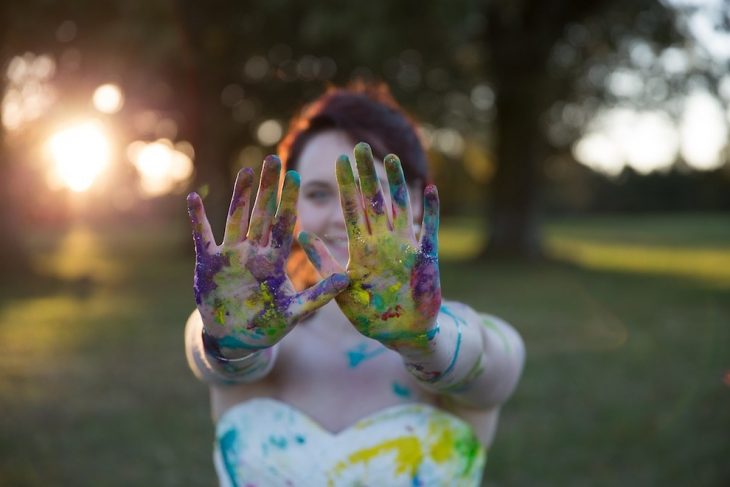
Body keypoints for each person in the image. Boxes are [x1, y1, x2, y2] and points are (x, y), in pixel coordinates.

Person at [184, 83, 525, 486]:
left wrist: (425, 342)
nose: (340, 215)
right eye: (316, 193)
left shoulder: (461, 338)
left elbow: (488, 362)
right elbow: (214, 354)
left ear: (415, 201)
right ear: (291, 210)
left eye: (367, 189)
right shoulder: (251, 335)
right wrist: (232, 346)